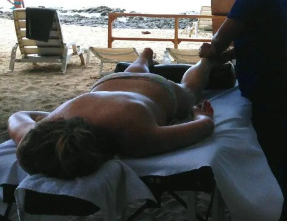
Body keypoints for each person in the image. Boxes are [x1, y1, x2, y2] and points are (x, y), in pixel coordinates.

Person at [199, 0, 287, 221]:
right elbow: (261, 41)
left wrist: (210, 52)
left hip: (268, 85)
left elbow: (220, 40)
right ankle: (282, 219)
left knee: (268, 158)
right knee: (279, 155)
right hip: (281, 80)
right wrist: (229, 55)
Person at [9, 48, 216, 179]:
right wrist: (54, 116)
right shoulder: (36, 133)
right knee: (136, 73)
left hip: (156, 91)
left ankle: (206, 60)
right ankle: (145, 57)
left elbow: (203, 126)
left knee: (189, 91)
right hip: (108, 84)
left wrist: (201, 115)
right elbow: (18, 115)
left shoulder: (136, 137)